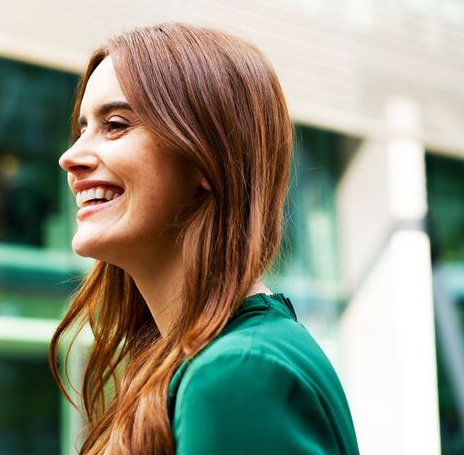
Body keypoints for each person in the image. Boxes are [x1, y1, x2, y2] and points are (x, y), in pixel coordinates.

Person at [49, 23, 360, 455]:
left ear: (205, 158)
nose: (71, 157)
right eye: (82, 129)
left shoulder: (239, 373)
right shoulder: (229, 360)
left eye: (115, 125)